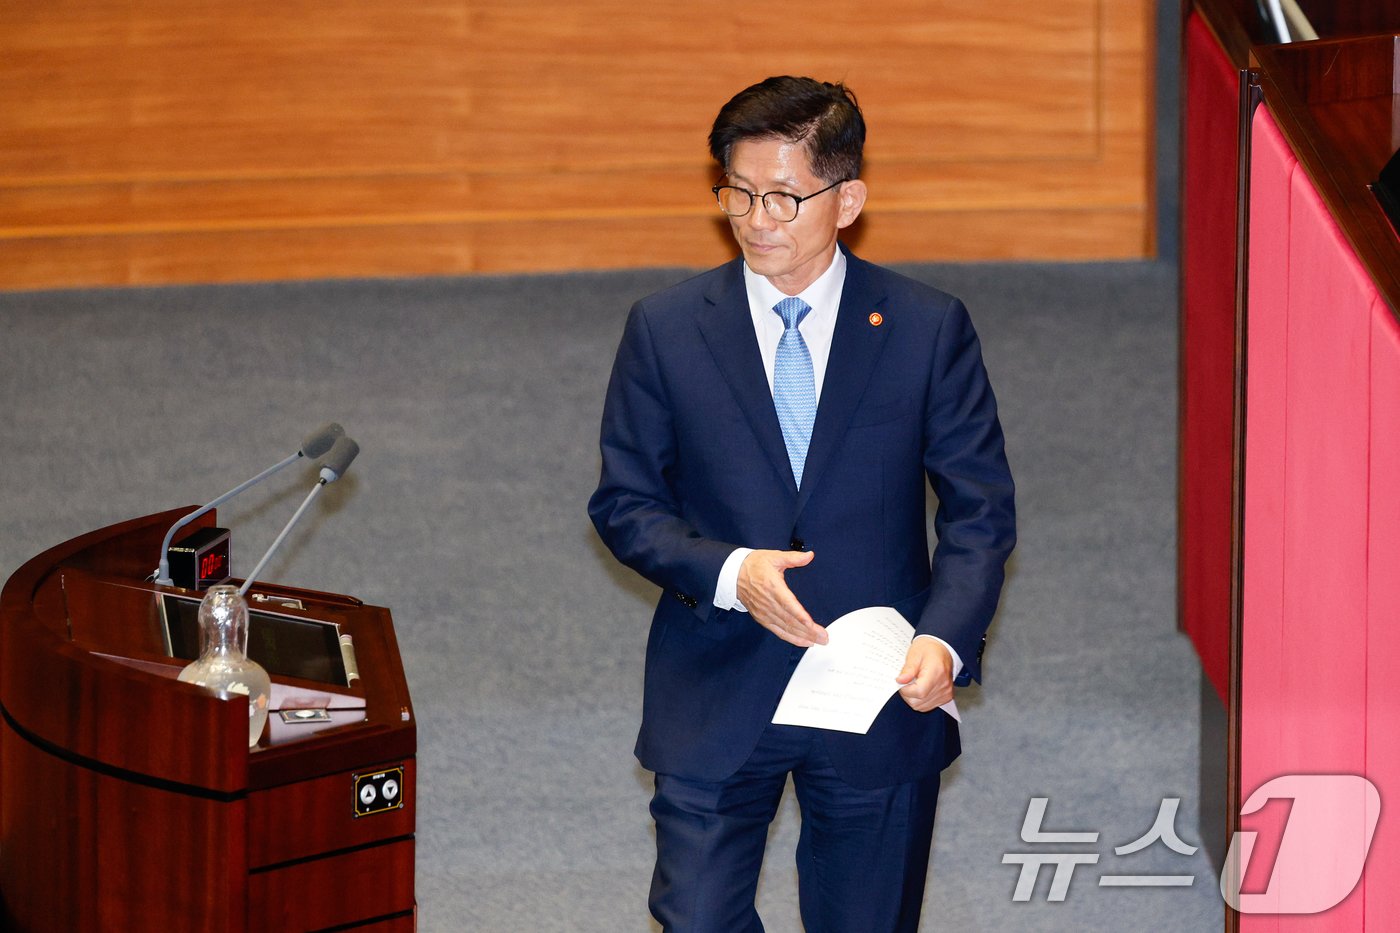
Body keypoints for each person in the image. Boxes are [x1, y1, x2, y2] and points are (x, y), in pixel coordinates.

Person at [588, 75, 1015, 932]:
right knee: (697, 917)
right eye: (737, 194)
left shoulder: (927, 328)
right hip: (715, 679)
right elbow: (626, 504)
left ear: (847, 198)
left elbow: (979, 508)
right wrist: (731, 570)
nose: (756, 220)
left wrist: (944, 637)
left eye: (784, 197)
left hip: (874, 690)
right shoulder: (667, 328)